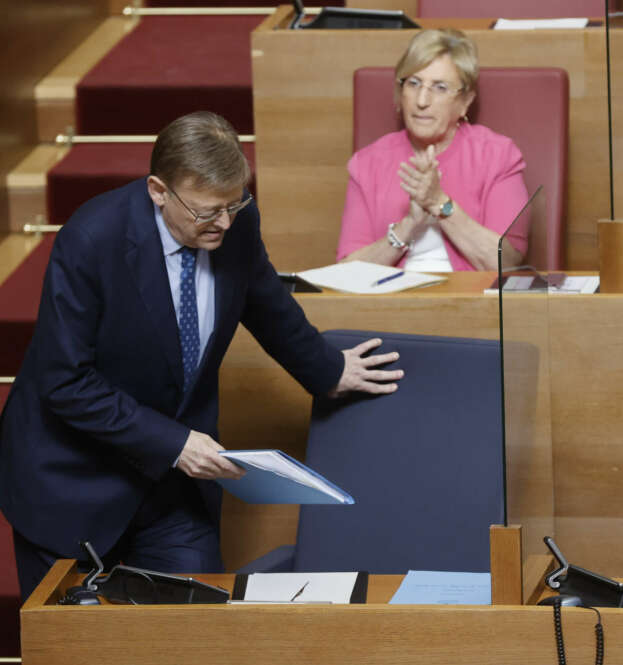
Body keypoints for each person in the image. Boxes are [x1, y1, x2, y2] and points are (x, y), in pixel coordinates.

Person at [0, 111, 403, 601]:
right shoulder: (91, 239)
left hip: (173, 490)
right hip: (73, 481)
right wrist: (174, 443)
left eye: (235, 204)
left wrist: (329, 370)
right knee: (72, 648)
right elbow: (65, 382)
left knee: (199, 632)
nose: (225, 223)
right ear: (157, 191)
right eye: (208, 211)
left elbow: (264, 301)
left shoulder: (234, 219)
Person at [336, 28, 530, 272]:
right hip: (390, 304)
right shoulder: (367, 163)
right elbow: (346, 272)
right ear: (400, 92)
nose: (422, 100)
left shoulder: (499, 156)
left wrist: (439, 203)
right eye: (414, 83)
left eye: (439, 87)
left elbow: (506, 264)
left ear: (465, 101)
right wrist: (408, 226)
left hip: (473, 303)